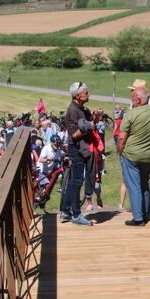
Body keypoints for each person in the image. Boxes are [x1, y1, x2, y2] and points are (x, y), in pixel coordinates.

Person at [117, 85, 150, 226]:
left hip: (130, 155)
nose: (132, 100)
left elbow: (121, 137)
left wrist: (120, 151)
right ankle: (145, 211)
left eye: (132, 98)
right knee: (144, 185)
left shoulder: (130, 114)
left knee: (134, 186)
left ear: (138, 99)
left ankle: (138, 218)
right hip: (147, 154)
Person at [60, 81, 96, 226]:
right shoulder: (73, 110)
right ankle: (76, 214)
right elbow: (74, 135)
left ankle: (66, 211)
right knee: (76, 182)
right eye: (85, 93)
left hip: (80, 148)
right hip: (76, 149)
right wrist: (90, 126)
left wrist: (94, 118)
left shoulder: (80, 108)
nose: (88, 95)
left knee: (74, 181)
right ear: (77, 96)